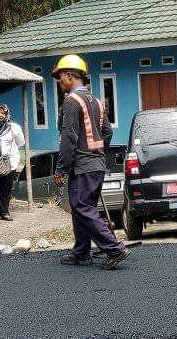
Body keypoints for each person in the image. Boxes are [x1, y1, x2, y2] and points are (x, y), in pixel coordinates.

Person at [52, 54, 130, 269]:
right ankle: (81, 252)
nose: (59, 83)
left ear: (69, 75)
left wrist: (61, 168)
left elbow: (68, 138)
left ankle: (114, 248)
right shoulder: (96, 101)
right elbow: (107, 132)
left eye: (60, 78)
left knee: (82, 206)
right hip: (96, 164)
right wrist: (96, 151)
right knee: (82, 208)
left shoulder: (71, 101)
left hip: (82, 166)